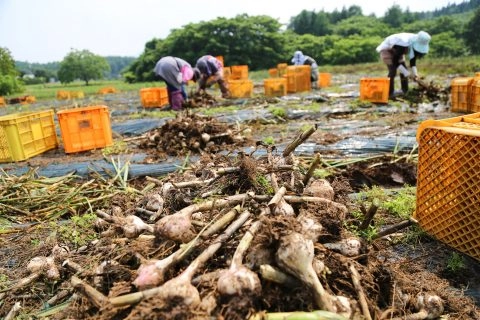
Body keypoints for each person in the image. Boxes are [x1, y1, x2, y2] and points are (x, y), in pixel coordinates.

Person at [376, 31, 431, 99]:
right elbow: (395, 61)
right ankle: (390, 93)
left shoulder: (415, 41)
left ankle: (405, 90)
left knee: (404, 70)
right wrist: (407, 73)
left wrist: (415, 74)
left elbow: (412, 61)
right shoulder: (403, 42)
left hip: (398, 52)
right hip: (387, 51)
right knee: (393, 71)